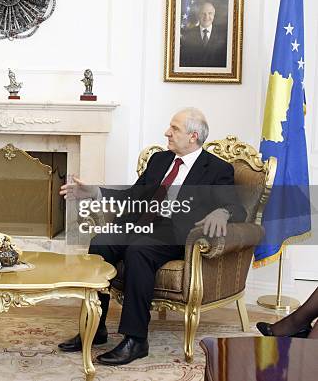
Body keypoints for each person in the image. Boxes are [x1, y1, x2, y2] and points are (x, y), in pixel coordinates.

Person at [58, 107, 245, 366]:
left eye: (174, 128)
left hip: (176, 234)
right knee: (101, 242)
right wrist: (95, 192)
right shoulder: (159, 160)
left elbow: (238, 208)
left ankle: (136, 340)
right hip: (140, 225)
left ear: (193, 136)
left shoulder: (216, 169)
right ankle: (95, 327)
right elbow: (133, 196)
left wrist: (222, 212)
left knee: (139, 250)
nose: (167, 132)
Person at [179, 1, 227, 68]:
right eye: (203, 13)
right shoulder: (188, 35)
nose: (206, 17)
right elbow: (184, 61)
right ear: (198, 15)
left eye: (210, 13)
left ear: (214, 15)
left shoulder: (223, 35)